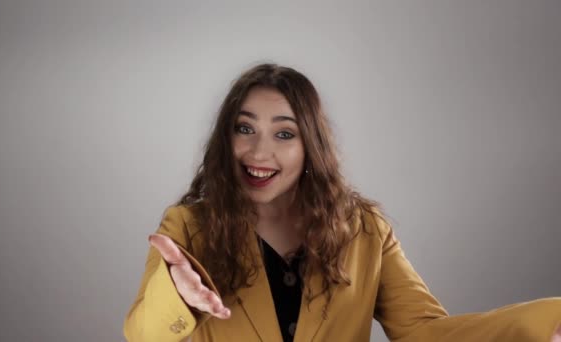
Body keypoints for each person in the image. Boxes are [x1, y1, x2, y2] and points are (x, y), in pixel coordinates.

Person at [123, 63, 561, 341]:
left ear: (310, 146)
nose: (259, 153)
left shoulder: (365, 229)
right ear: (226, 138)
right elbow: (142, 335)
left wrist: (546, 323)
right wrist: (178, 295)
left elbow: (424, 333)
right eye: (244, 129)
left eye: (284, 133)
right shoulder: (187, 226)